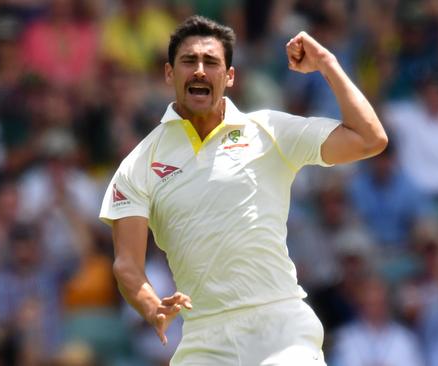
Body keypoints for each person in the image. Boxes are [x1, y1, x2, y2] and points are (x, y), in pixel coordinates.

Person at [99, 15, 387, 365]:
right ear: (169, 74)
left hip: (281, 326)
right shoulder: (138, 163)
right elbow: (127, 265)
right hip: (204, 337)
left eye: (212, 62)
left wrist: (327, 64)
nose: (200, 70)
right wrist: (152, 304)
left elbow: (369, 139)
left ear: (230, 77)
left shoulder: (268, 130)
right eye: (189, 61)